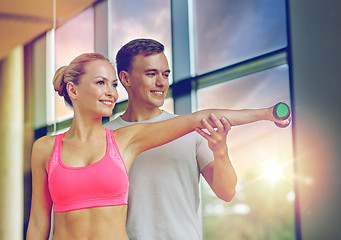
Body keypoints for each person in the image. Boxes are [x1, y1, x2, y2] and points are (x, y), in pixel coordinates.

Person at [26, 52, 289, 240]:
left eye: (113, 85)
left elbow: (201, 117)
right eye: (100, 83)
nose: (111, 92)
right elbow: (38, 223)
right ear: (73, 89)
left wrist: (266, 113)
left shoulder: (124, 139)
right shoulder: (45, 148)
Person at [103, 39, 289, 239]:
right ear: (126, 78)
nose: (162, 82)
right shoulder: (104, 137)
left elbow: (226, 193)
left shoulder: (191, 130)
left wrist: (220, 151)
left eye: (165, 74)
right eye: (151, 74)